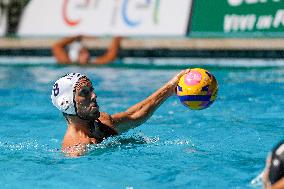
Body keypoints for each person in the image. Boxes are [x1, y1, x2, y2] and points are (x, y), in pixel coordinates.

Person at [51, 70, 189, 157]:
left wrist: (170, 88)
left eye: (92, 90)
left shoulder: (102, 121)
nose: (94, 95)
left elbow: (134, 116)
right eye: (85, 93)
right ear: (67, 103)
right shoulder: (76, 151)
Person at [52, 35, 121, 65]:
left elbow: (109, 58)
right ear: (75, 55)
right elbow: (56, 47)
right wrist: (78, 35)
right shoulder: (67, 63)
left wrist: (117, 38)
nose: (87, 54)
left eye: (86, 51)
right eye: (82, 52)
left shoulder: (91, 64)